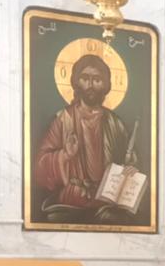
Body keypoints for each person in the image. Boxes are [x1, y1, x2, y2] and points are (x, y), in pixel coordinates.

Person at [34, 54, 139, 225]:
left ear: (106, 85)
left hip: (106, 200)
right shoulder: (63, 120)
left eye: (97, 80)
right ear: (76, 82)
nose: (90, 85)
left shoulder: (115, 124)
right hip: (73, 197)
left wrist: (130, 170)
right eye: (85, 79)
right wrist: (65, 155)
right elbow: (40, 167)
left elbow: (128, 162)